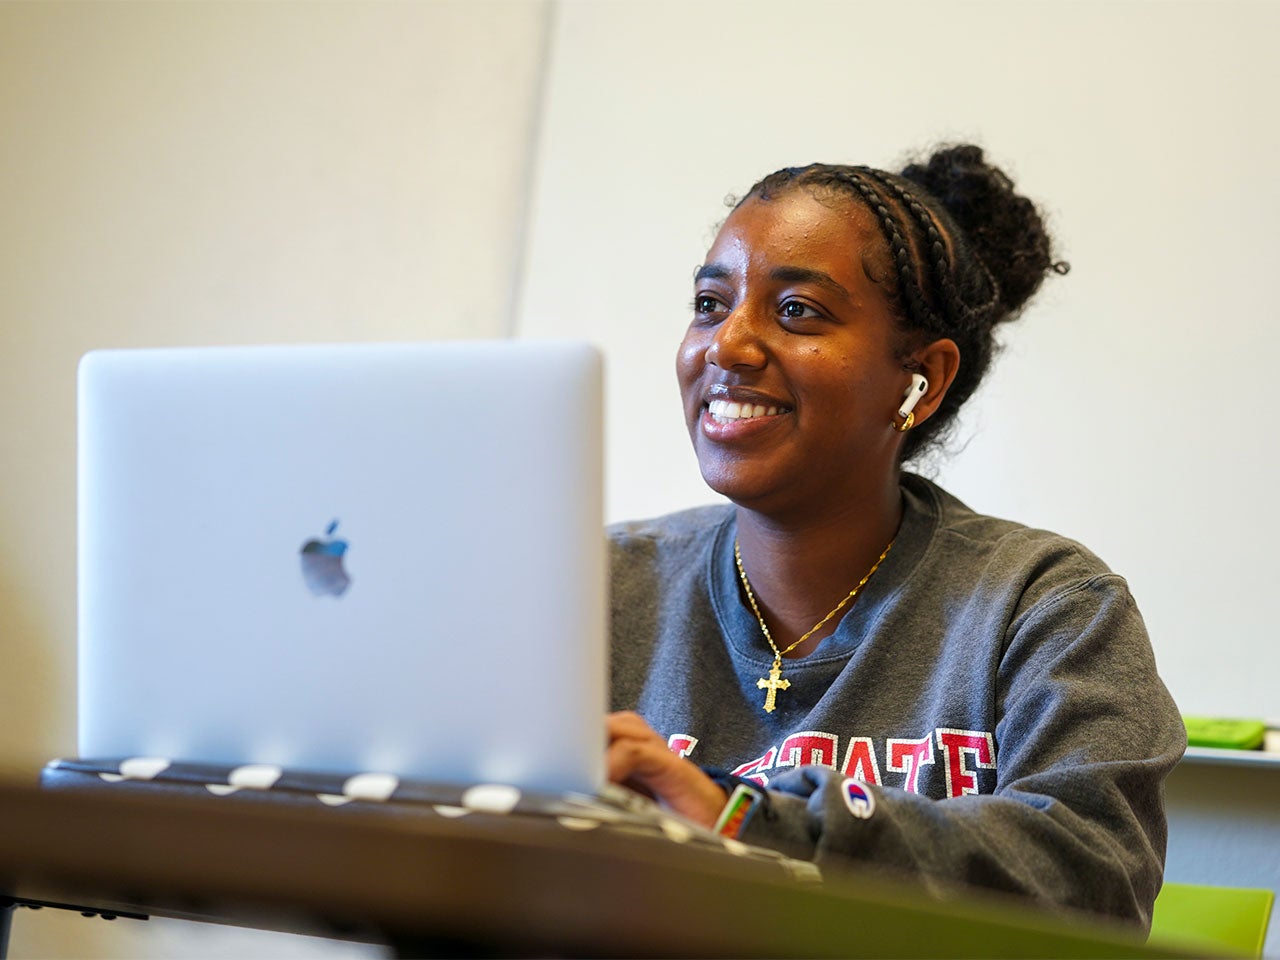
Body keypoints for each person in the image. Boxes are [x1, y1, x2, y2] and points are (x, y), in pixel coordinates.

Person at [603, 144, 1185, 929]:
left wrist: (742, 818)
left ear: (923, 381)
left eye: (797, 311)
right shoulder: (591, 585)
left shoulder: (1046, 607)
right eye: (710, 304)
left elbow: (1093, 875)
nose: (727, 346)